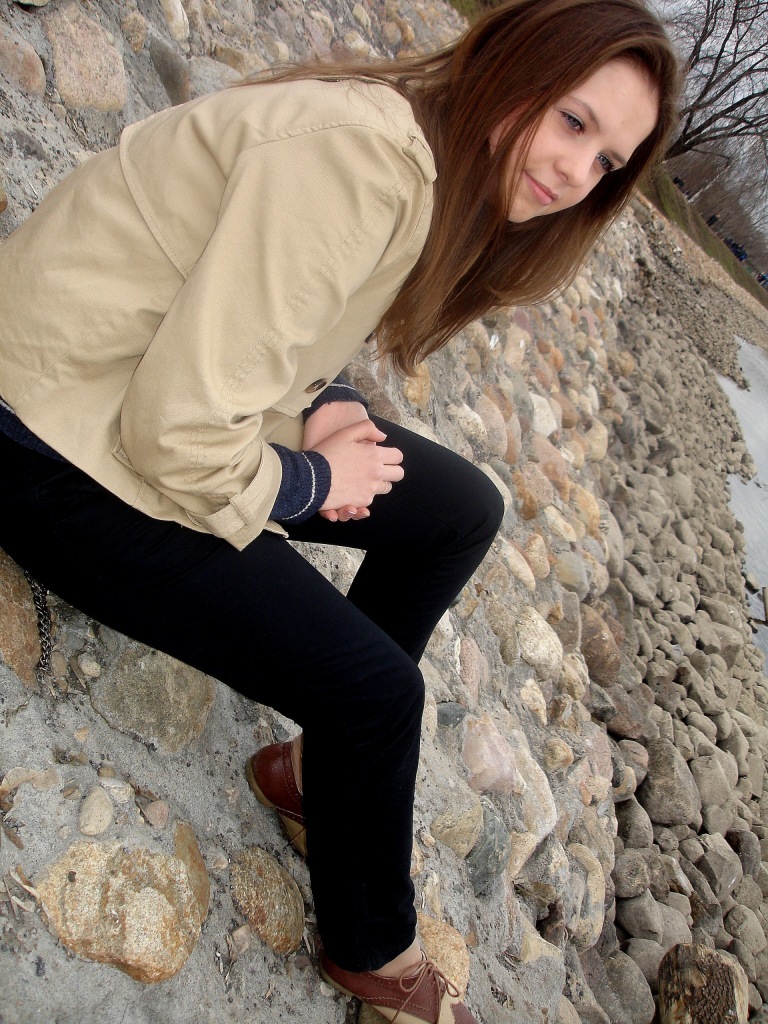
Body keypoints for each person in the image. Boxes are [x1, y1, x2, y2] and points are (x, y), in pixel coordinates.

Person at [0, 0, 678, 1019]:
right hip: (50, 444)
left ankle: (319, 776)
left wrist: (333, 403)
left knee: (460, 507)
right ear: (515, 68)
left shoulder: (412, 145)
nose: (577, 172)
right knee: (379, 697)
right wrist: (313, 482)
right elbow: (175, 433)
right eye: (573, 121)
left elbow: (274, 321)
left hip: (128, 382)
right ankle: (374, 950)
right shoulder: (363, 161)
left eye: (608, 161)